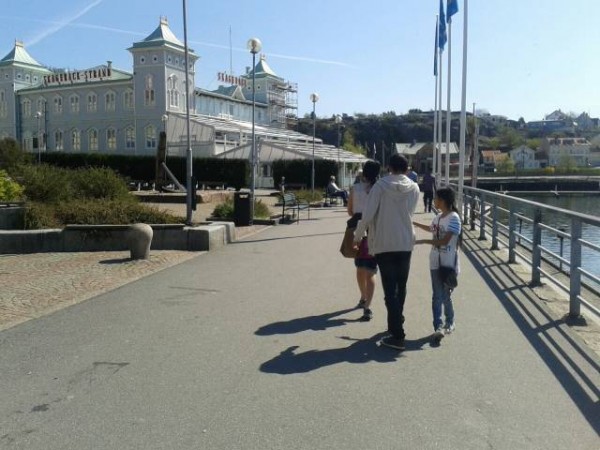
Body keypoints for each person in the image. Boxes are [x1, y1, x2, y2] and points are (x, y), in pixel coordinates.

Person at [353, 154, 420, 350]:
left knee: (390, 289)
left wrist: (357, 236)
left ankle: (397, 335)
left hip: (384, 242)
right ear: (406, 168)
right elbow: (410, 213)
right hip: (406, 242)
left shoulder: (380, 186)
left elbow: (367, 214)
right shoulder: (414, 187)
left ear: (389, 167)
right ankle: (396, 321)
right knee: (402, 285)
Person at [413, 187, 461, 343]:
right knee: (437, 295)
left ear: (443, 200)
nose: (434, 200)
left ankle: (450, 321)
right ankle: (438, 327)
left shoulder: (454, 218)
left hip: (448, 263)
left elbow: (445, 241)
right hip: (435, 261)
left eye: (436, 198)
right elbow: (431, 229)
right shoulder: (438, 217)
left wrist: (422, 241)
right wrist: (414, 222)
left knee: (445, 294)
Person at [347, 160, 381, 321]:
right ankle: (368, 306)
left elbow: (350, 211)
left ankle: (362, 297)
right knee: (371, 270)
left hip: (357, 229)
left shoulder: (355, 188)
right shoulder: (380, 189)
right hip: (374, 230)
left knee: (360, 266)